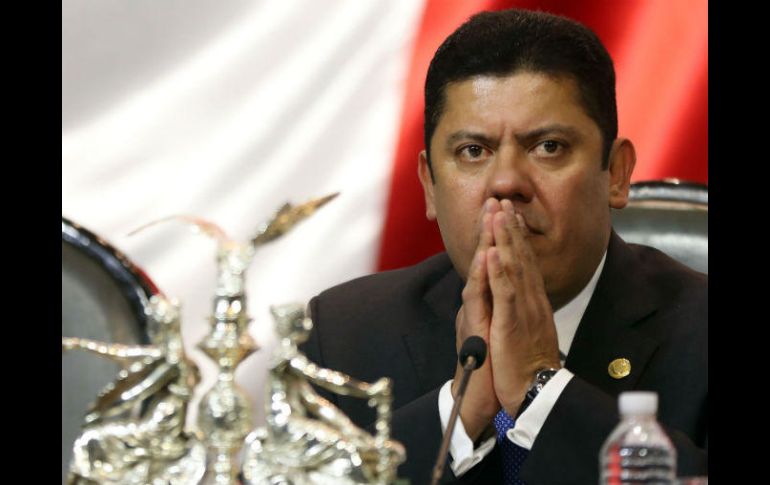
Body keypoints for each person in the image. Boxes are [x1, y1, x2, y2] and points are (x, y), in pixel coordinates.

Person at [301, 9, 707, 484]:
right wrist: (458, 415)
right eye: (473, 151)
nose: (507, 182)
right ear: (429, 185)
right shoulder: (345, 335)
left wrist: (542, 389)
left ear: (616, 173)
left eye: (548, 146)